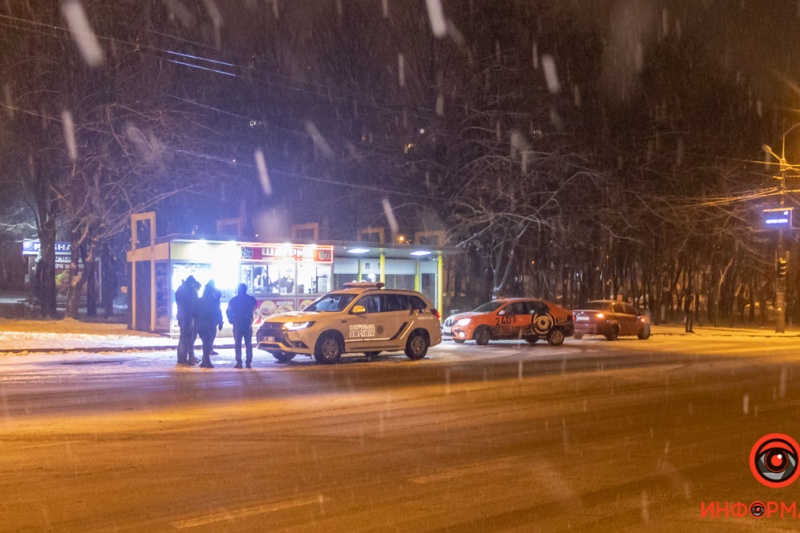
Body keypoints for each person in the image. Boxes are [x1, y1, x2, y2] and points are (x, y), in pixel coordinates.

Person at [226, 283, 258, 369]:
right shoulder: (251, 299)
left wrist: (231, 319)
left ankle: (239, 362)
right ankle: (248, 362)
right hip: (247, 323)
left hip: (237, 323)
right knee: (248, 343)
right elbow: (255, 307)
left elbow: (228, 311)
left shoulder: (234, 300)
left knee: (238, 343)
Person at [195, 280, 223, 368]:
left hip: (201, 324)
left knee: (205, 342)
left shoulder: (199, 300)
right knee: (209, 342)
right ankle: (206, 360)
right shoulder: (214, 300)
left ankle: (205, 360)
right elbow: (218, 312)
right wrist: (220, 322)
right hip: (210, 324)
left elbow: (194, 313)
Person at [175, 276, 201, 365]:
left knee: (187, 337)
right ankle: (182, 358)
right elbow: (191, 304)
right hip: (187, 317)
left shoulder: (183, 289)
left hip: (186, 316)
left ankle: (185, 357)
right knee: (185, 338)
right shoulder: (188, 291)